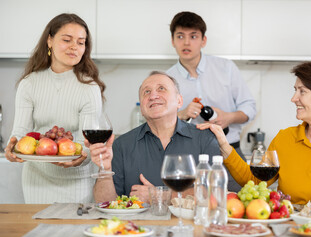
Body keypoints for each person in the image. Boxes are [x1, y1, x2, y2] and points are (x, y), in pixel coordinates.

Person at [198, 61, 311, 208]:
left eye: (302, 91)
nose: (293, 98)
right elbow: (254, 180)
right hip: (292, 228)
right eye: (295, 90)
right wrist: (224, 144)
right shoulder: (285, 139)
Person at [4, 13, 105, 204]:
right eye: (67, 40)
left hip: (77, 181)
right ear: (49, 41)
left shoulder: (89, 88)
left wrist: (80, 159)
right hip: (37, 179)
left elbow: (88, 142)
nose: (74, 46)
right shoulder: (29, 84)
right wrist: (11, 147)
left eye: (81, 42)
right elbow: (20, 132)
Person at [88, 71, 220, 203]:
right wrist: (104, 170)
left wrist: (159, 196)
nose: (153, 96)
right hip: (138, 223)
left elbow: (216, 193)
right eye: (146, 92)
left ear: (179, 101)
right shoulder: (121, 145)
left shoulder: (205, 139)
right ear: (142, 107)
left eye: (161, 89)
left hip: (190, 223)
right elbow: (105, 203)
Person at [166, 11, 256, 191]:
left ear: (203, 40)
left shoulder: (226, 68)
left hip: (229, 153)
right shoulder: (167, 78)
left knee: (237, 208)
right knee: (189, 209)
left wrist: (228, 117)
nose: (186, 42)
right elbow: (159, 121)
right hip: (188, 158)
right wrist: (181, 114)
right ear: (173, 41)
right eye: (180, 36)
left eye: (193, 36)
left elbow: (250, 107)